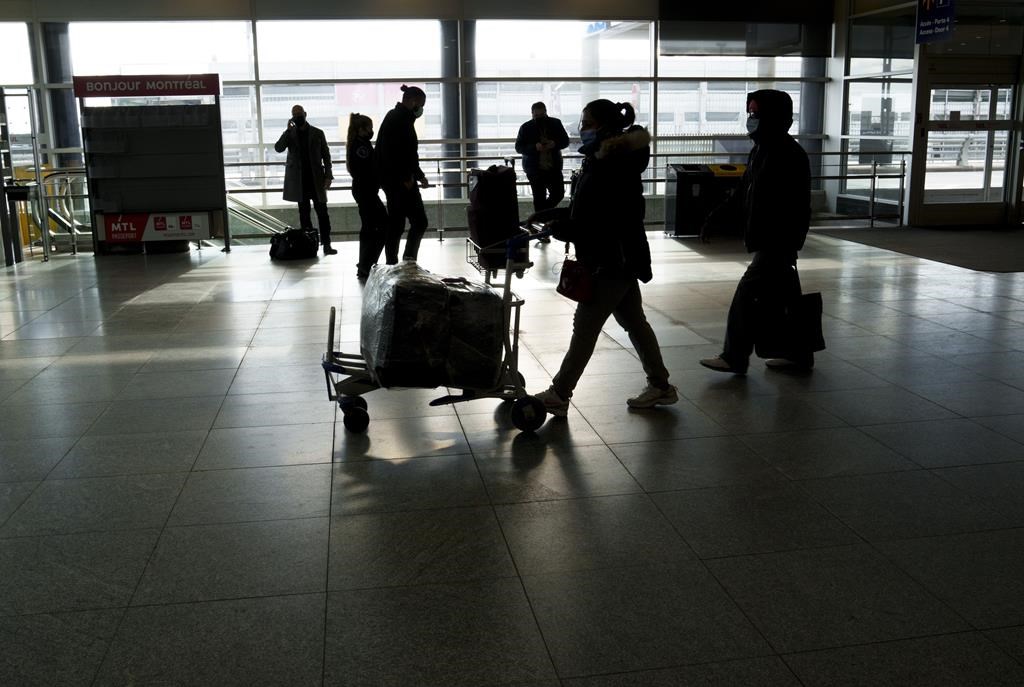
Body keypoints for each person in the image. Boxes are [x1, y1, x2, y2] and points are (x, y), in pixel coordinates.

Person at [533, 99, 677, 417]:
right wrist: (551, 215)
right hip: (617, 257)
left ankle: (559, 393)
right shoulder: (603, 161)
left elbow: (601, 221)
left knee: (585, 327)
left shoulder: (613, 165)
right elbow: (584, 210)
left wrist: (562, 227)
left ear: (602, 126)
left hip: (611, 259)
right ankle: (661, 386)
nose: (581, 128)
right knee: (634, 323)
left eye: (586, 121)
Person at [699, 89, 813, 374]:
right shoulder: (760, 150)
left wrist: (789, 241)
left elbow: (798, 205)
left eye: (756, 114)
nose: (751, 119)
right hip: (770, 240)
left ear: (774, 117)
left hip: (777, 241)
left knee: (746, 295)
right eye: (750, 113)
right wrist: (715, 217)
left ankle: (734, 356)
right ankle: (800, 355)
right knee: (787, 297)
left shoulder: (788, 154)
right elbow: (742, 191)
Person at [375, 85, 432, 264]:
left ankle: (397, 261)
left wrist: (419, 175)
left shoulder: (397, 117)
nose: (421, 109)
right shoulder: (399, 119)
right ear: (412, 101)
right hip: (400, 182)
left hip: (395, 180)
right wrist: (406, 178)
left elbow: (406, 153)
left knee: (398, 223)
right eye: (420, 105)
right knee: (415, 222)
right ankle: (405, 261)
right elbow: (396, 154)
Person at [274, 104, 336, 255]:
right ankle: (310, 245)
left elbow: (326, 156)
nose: (297, 117)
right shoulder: (290, 134)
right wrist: (287, 131)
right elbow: (278, 148)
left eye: (299, 114)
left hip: (316, 180)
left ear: (305, 114)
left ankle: (327, 244)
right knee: (304, 214)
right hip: (299, 182)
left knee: (323, 214)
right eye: (294, 115)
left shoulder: (317, 133)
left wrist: (328, 175)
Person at [346, 113, 388, 280]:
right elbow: (367, 170)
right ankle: (366, 265)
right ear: (361, 129)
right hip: (366, 191)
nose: (372, 131)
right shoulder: (361, 147)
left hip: (364, 190)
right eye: (369, 128)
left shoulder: (360, 144)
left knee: (369, 228)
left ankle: (365, 265)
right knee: (380, 225)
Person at [515, 102, 570, 214]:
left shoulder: (556, 123)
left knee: (558, 194)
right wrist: (534, 147)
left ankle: (541, 215)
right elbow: (519, 147)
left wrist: (554, 144)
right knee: (539, 197)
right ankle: (543, 217)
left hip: (553, 167)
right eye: (536, 116)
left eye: (541, 115)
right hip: (534, 169)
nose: (539, 118)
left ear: (546, 112)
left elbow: (565, 141)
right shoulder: (526, 127)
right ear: (532, 114)